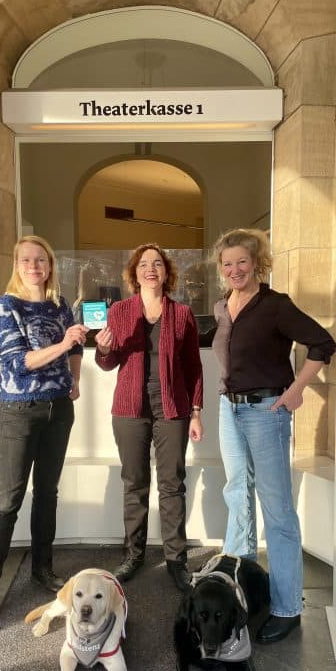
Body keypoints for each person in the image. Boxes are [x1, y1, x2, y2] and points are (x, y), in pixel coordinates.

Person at [211, 228, 336, 643]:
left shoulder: (276, 305)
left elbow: (322, 343)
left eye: (241, 262)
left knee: (278, 511)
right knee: (236, 493)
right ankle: (241, 584)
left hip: (267, 412)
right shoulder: (222, 307)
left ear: (256, 262)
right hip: (230, 409)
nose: (234, 269)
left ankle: (287, 607)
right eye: (227, 264)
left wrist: (296, 389)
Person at [0, 235, 88, 631]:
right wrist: (63, 343)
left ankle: (42, 568)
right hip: (20, 411)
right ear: (16, 266)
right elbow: (18, 362)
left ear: (50, 264)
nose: (34, 266)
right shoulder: (6, 306)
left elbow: (77, 348)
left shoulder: (59, 305)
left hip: (59, 410)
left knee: (48, 492)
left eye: (41, 259)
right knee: (7, 500)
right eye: (26, 260)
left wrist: (74, 380)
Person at [94, 244, 204, 591]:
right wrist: (104, 349)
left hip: (172, 406)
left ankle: (176, 559)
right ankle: (133, 555)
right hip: (129, 407)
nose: (150, 268)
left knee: (172, 484)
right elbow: (108, 363)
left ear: (166, 272)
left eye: (157, 263)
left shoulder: (182, 313)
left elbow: (193, 368)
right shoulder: (120, 312)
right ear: (134, 272)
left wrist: (197, 411)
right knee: (135, 483)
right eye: (144, 264)